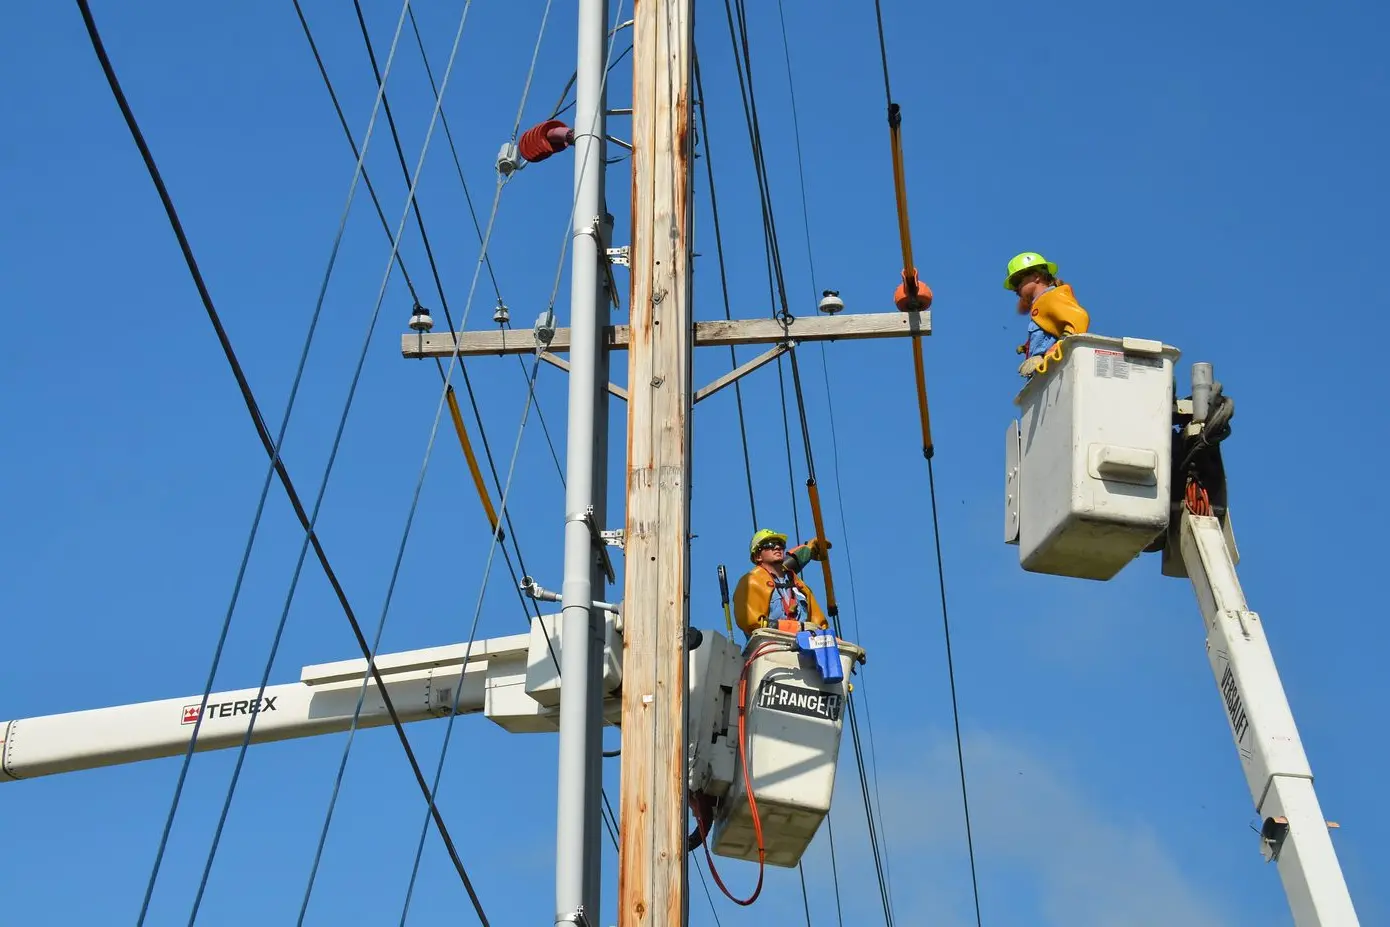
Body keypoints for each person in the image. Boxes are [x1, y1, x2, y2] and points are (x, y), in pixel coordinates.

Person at [1004, 251, 1090, 377]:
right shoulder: (1041, 303)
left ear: (1036, 276)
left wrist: (1054, 349)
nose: (1015, 288)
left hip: (1055, 372)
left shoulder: (1052, 297)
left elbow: (1079, 318)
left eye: (1017, 281)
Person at [732, 529, 829, 639]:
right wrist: (795, 627)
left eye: (780, 544)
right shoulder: (751, 582)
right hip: (772, 647)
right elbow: (752, 623)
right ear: (758, 556)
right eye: (770, 545)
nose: (777, 547)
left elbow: (820, 625)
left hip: (806, 647)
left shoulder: (798, 585)